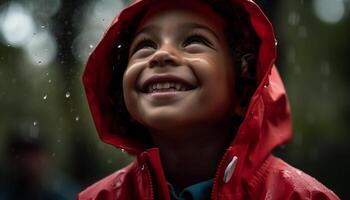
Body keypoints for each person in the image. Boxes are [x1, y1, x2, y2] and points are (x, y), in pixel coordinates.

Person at [78, 0, 340, 199]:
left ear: (243, 90)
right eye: (145, 45)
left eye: (194, 40)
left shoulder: (299, 196)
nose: (161, 54)